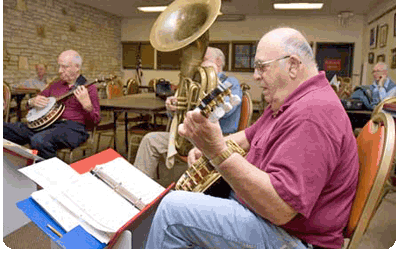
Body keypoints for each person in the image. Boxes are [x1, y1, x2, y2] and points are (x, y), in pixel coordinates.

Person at [144, 28, 359, 249]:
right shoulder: (290, 100)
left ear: (293, 65)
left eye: (261, 67)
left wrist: (218, 151)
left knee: (171, 210)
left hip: (294, 237)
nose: (256, 76)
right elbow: (248, 136)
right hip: (267, 219)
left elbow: (281, 208)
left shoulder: (313, 113)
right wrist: (207, 148)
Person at [133, 47, 242, 180]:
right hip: (190, 136)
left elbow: (224, 112)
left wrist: (208, 87)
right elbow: (177, 117)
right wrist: (173, 107)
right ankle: (139, 190)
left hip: (217, 139)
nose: (199, 65)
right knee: (150, 140)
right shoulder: (195, 83)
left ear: (218, 62)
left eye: (203, 60)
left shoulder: (230, 82)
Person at [3, 50, 101, 159]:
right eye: (59, 66)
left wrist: (88, 106)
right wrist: (32, 102)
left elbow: (95, 121)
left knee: (39, 140)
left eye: (64, 67)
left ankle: (49, 174)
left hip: (73, 129)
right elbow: (30, 104)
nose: (59, 71)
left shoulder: (89, 88)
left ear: (77, 67)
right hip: (46, 125)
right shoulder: (55, 85)